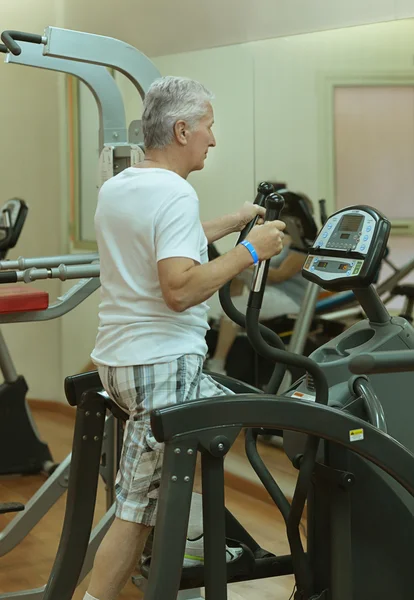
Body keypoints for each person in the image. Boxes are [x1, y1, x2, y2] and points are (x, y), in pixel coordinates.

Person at [84, 75, 286, 600]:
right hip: (162, 366)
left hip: (122, 363)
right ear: (181, 129)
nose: (212, 140)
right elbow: (178, 288)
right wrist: (253, 250)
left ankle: (190, 545)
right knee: (134, 509)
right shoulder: (175, 191)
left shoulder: (121, 185)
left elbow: (165, 240)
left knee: (242, 419)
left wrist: (233, 222)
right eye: (208, 128)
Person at [206, 232, 308, 375]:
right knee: (236, 273)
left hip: (290, 299)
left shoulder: (302, 247)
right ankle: (232, 319)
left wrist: (244, 262)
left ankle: (217, 363)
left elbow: (279, 275)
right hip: (271, 291)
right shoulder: (286, 241)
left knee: (236, 307)